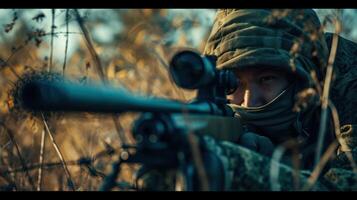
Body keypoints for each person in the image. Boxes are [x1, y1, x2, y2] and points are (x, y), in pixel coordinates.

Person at [140, 9, 357, 191]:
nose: (249, 101)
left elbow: (347, 182)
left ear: (304, 80)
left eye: (266, 79)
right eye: (234, 82)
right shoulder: (215, 114)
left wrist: (243, 167)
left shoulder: (347, 82)